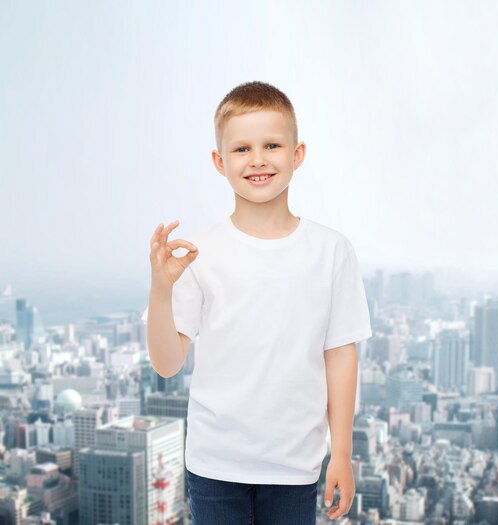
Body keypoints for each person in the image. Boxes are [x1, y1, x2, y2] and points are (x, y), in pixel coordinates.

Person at [142, 80, 372, 524]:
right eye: (242, 149)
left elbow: (341, 353)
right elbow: (167, 363)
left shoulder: (331, 250)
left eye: (272, 145)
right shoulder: (198, 253)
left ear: (297, 153)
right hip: (214, 465)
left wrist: (341, 452)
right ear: (219, 161)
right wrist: (161, 288)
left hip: (295, 463)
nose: (258, 160)